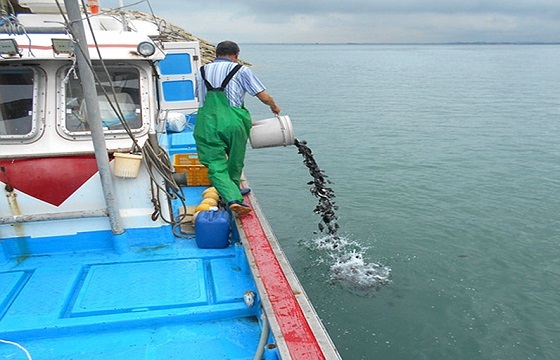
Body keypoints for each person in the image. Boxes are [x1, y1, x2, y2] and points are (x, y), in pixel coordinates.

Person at [194, 40, 281, 216]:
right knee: (235, 159)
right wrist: (274, 107)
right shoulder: (241, 70)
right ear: (237, 55)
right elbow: (263, 96)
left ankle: (231, 194)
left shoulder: (201, 71)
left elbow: (198, 95)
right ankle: (233, 197)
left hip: (207, 122)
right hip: (234, 122)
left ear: (216, 54)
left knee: (215, 164)